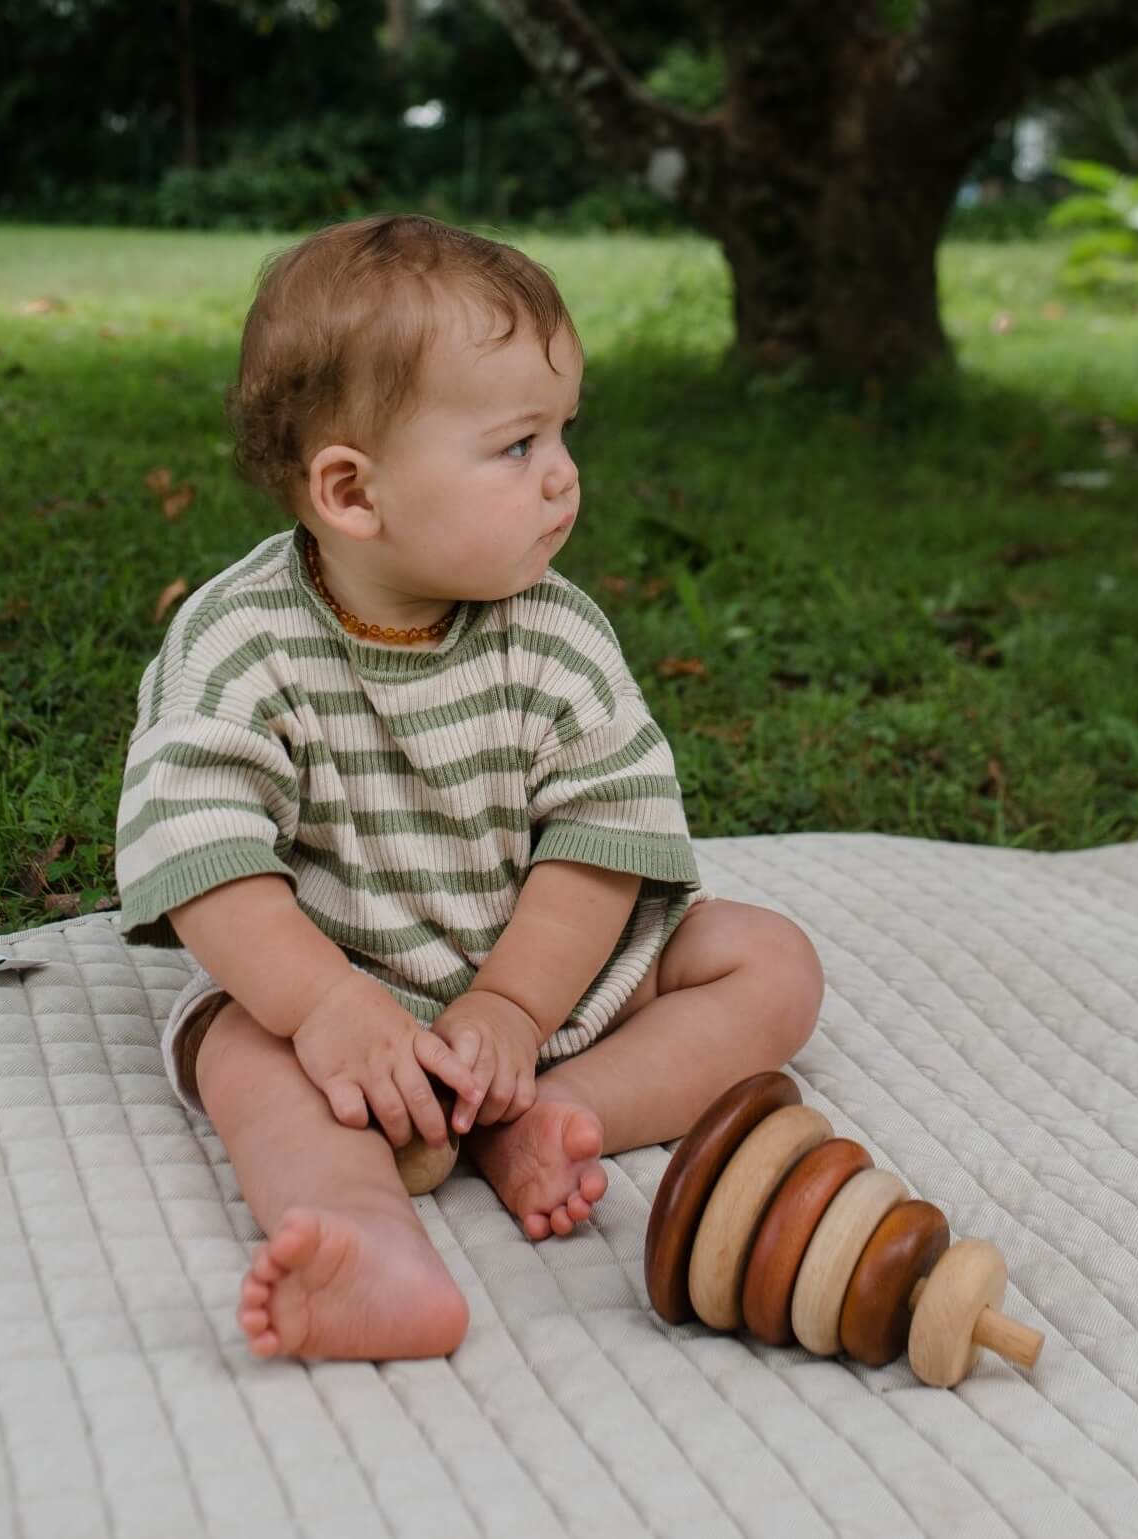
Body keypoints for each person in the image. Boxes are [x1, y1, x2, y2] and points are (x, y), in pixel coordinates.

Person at [115, 213, 824, 1364]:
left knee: (769, 962)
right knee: (239, 1052)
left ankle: (546, 1114)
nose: (563, 477)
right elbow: (207, 860)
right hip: (336, 997)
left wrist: (512, 1013)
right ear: (352, 491)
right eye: (516, 446)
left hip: (540, 983)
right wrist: (324, 1008)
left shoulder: (555, 634)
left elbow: (600, 839)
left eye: (564, 433)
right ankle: (365, 1239)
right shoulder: (238, 645)